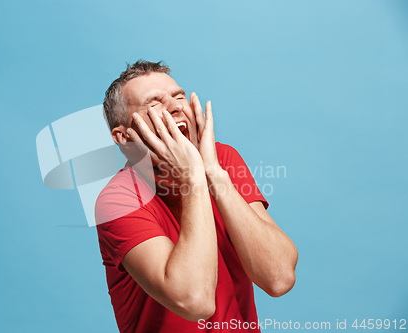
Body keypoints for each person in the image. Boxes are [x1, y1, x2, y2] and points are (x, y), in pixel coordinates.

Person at [95, 60, 298, 333]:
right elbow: (194, 301)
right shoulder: (117, 200)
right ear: (123, 137)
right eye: (154, 104)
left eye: (179, 96)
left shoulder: (223, 159)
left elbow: (279, 278)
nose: (176, 106)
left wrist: (213, 172)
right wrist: (193, 179)